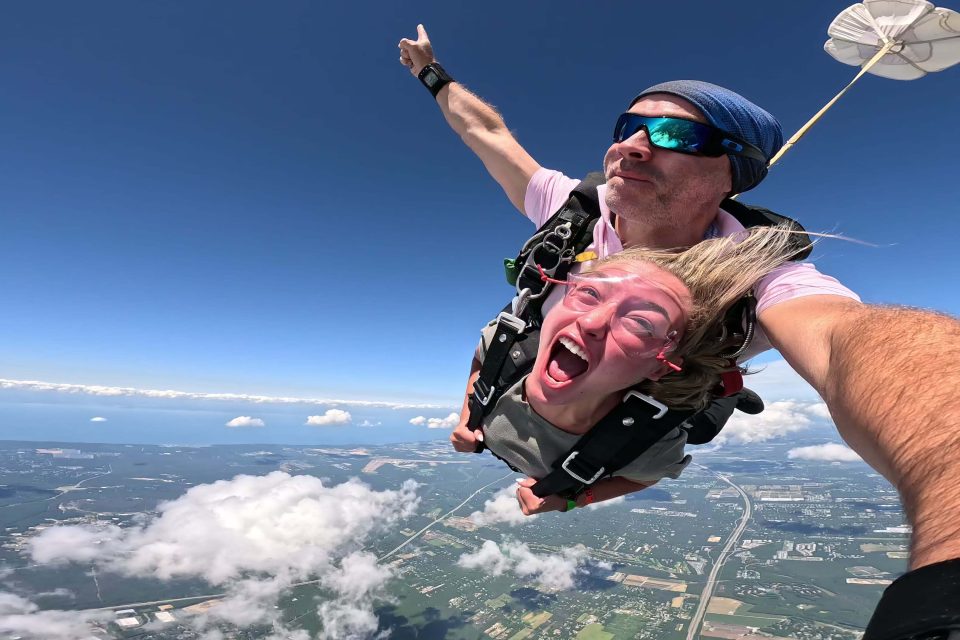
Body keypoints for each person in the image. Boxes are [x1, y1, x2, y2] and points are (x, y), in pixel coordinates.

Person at [398, 25, 960, 639]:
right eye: (627, 128)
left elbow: (840, 337)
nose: (634, 147)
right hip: (528, 383)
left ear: (733, 174)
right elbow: (487, 134)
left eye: (678, 136)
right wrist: (433, 76)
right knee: (515, 336)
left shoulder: (759, 274)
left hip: (631, 425)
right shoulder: (575, 214)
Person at [463, 227, 806, 514]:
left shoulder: (648, 442)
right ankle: (719, 381)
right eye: (590, 293)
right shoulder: (510, 352)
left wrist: (573, 499)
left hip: (663, 396)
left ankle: (727, 387)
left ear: (659, 364)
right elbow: (484, 359)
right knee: (699, 420)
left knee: (701, 421)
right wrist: (466, 417)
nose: (592, 322)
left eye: (641, 322)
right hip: (640, 387)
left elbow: (645, 476)